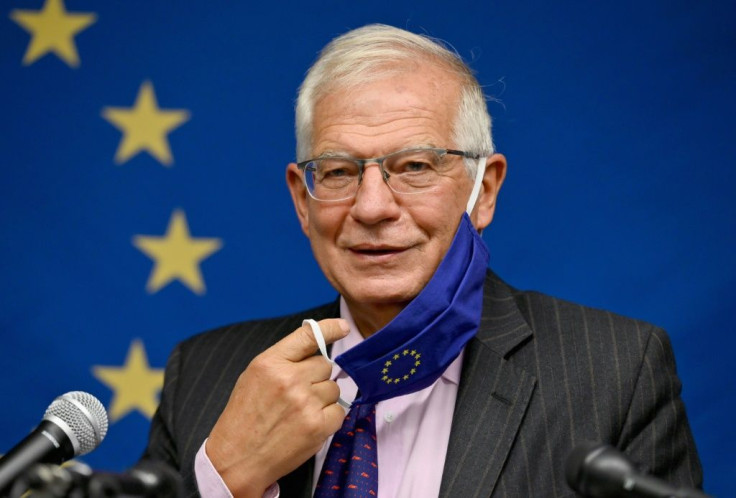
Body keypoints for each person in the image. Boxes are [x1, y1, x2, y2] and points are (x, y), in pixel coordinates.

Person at [140, 24, 703, 497]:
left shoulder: (614, 373)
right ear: (301, 200)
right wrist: (227, 481)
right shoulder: (203, 375)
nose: (372, 207)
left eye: (415, 166)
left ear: (484, 191)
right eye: (338, 172)